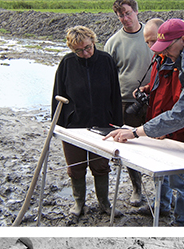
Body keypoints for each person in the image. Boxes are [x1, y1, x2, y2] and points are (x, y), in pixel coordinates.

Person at [104, 19, 184, 147]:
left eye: (167, 47)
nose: (164, 53)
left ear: (183, 40)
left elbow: (181, 113)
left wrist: (135, 132)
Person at [52, 26, 123, 219]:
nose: (84, 54)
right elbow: (58, 95)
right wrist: (56, 125)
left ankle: (104, 203)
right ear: (72, 50)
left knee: (100, 165)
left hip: (102, 124)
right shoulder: (66, 63)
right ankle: (79, 203)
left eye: (88, 48)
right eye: (79, 51)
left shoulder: (106, 61)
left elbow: (115, 94)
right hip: (74, 125)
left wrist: (117, 124)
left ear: (94, 42)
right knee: (75, 167)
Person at [138, 19, 184, 226]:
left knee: (180, 178)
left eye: (156, 41)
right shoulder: (160, 58)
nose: (154, 47)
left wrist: (164, 128)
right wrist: (146, 89)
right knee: (159, 172)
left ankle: (183, 219)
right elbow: (159, 89)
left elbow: (182, 106)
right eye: (149, 43)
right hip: (158, 123)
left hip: (176, 129)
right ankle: (161, 206)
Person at [104, 0, 153, 207]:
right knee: (131, 146)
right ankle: (137, 189)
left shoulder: (151, 37)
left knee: (159, 143)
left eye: (127, 13)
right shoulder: (113, 43)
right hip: (126, 102)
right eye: (120, 15)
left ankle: (164, 192)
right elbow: (108, 77)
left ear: (136, 11)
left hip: (154, 101)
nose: (125, 18)